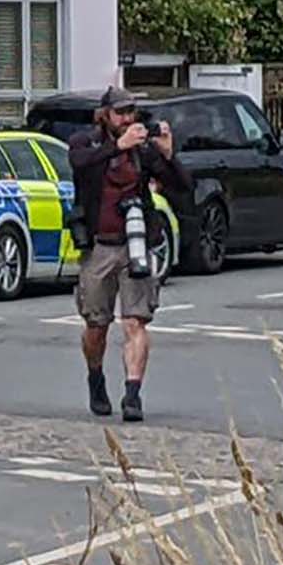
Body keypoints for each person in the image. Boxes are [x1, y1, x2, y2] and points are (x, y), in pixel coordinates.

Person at [68, 86, 192, 422]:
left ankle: (133, 394)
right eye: (120, 112)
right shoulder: (86, 143)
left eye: (131, 112)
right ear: (105, 115)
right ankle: (96, 377)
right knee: (96, 325)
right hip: (98, 245)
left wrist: (168, 154)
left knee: (135, 321)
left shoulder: (143, 151)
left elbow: (184, 186)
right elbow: (79, 164)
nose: (127, 119)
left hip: (136, 244)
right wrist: (115, 147)